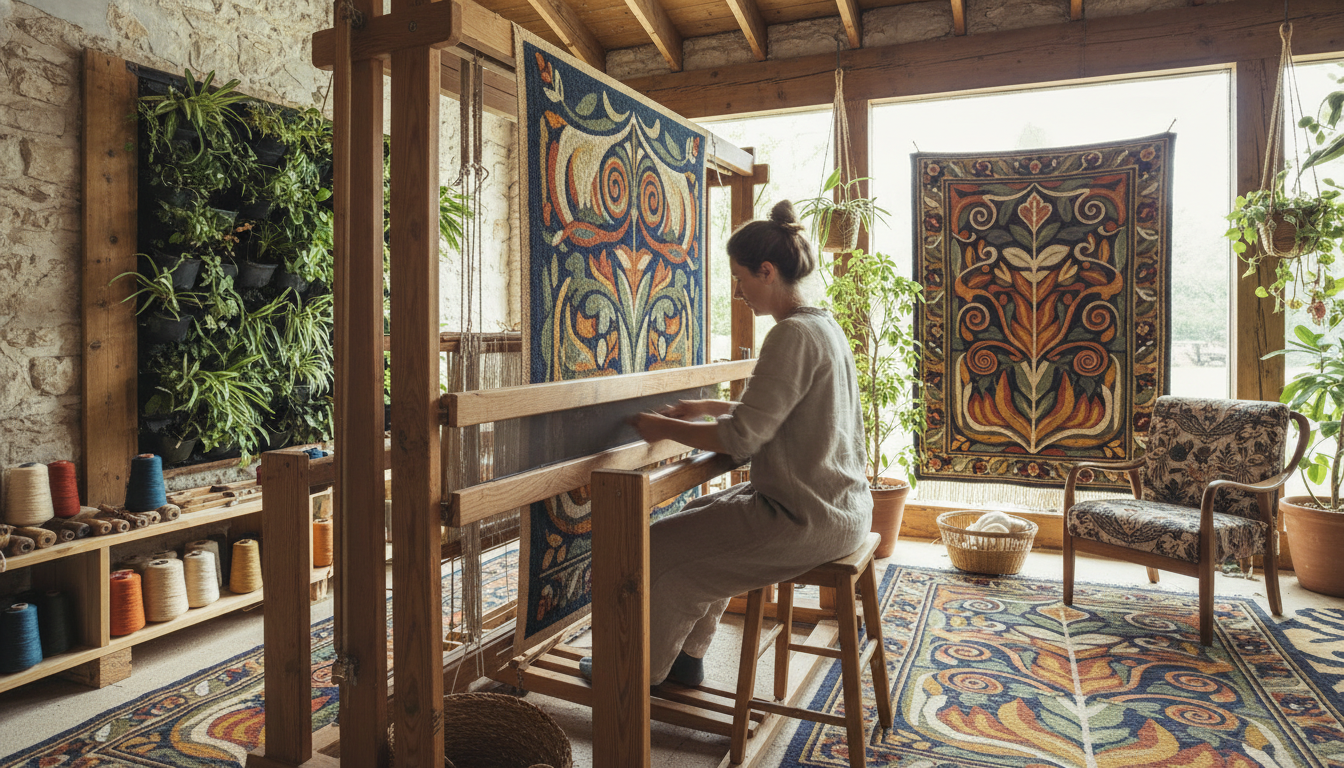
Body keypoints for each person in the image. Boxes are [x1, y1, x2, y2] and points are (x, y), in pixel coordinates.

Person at [579, 199, 873, 688]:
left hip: (805, 518)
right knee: (698, 526)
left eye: (741, 279)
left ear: (767, 271)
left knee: (651, 548)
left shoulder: (790, 335)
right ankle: (686, 660)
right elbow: (787, 417)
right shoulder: (824, 326)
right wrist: (707, 409)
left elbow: (742, 440)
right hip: (838, 507)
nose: (739, 293)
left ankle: (633, 673)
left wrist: (663, 428)